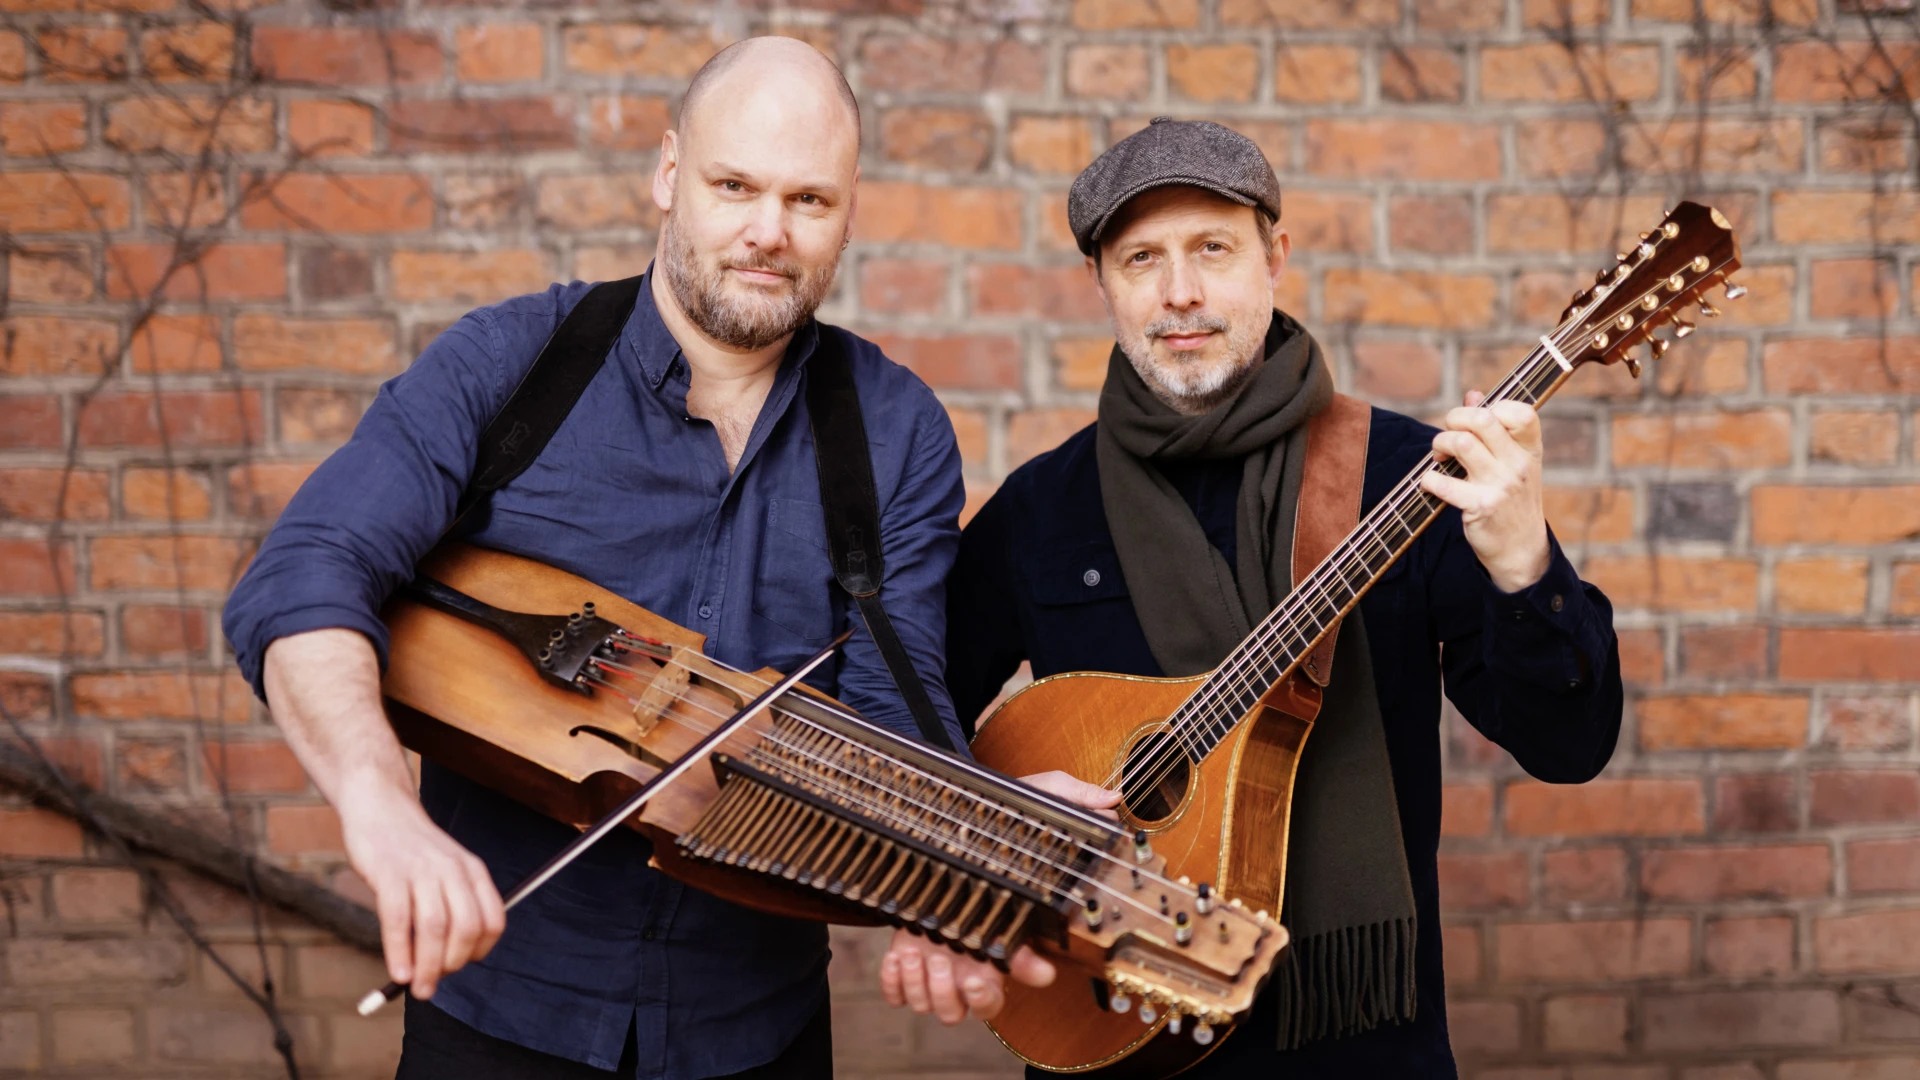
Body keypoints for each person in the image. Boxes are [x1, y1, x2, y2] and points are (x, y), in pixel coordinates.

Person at [222, 38, 1069, 1080]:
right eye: (733, 186)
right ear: (669, 174)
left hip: (757, 1030)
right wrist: (379, 808)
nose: (769, 231)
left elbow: (896, 703)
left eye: (808, 199)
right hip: (501, 1019)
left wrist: (968, 849)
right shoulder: (510, 365)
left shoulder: (895, 430)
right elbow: (304, 576)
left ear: (850, 212)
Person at [904, 118, 1625, 1076]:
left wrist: (1525, 562)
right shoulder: (1041, 510)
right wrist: (1000, 827)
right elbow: (907, 732)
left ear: (1274, 257)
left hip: (1361, 1047)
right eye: (1141, 258)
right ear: (1101, 283)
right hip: (1106, 1020)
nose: (1180, 291)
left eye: (1213, 248)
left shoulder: (1410, 476)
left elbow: (1570, 747)